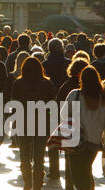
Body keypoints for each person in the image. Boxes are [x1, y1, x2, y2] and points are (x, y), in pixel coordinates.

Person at [63, 66, 105, 190]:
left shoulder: (75, 95)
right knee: (85, 167)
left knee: (76, 171)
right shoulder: (104, 99)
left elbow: (64, 113)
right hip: (94, 141)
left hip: (75, 139)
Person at [11, 57, 56, 190]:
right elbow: (52, 103)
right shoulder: (47, 83)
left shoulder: (18, 83)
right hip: (42, 123)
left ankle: (27, 183)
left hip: (24, 122)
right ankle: (37, 188)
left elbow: (14, 103)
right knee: (39, 158)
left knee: (24, 156)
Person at [55, 58, 88, 190]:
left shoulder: (66, 86)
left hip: (70, 129)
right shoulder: (91, 88)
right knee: (86, 164)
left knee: (69, 165)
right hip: (87, 130)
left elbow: (59, 108)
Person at [42, 38, 71, 180]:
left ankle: (54, 170)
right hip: (67, 104)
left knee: (52, 137)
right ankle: (69, 169)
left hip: (49, 104)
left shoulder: (44, 65)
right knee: (67, 137)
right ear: (62, 48)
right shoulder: (69, 64)